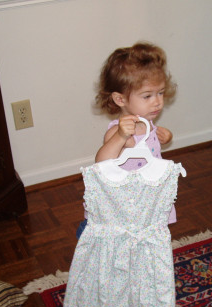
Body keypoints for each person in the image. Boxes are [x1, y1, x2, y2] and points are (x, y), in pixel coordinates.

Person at [76, 41, 177, 238]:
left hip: (148, 194)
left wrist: (166, 136)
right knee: (118, 234)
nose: (157, 102)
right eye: (147, 96)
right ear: (120, 99)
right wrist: (121, 137)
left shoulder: (148, 125)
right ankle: (88, 234)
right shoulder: (118, 130)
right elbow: (101, 161)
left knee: (146, 232)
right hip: (124, 199)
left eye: (160, 93)